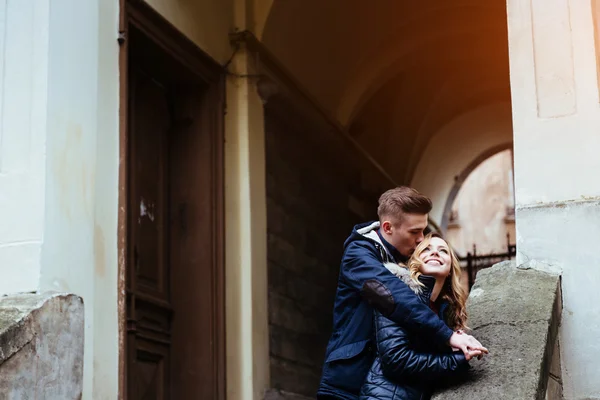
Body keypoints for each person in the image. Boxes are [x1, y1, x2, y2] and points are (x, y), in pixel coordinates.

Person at [317, 187, 487, 400]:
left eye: (423, 230)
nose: (420, 239)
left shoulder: (406, 261)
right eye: (414, 232)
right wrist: (448, 336)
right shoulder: (358, 255)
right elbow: (393, 296)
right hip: (346, 384)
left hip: (381, 385)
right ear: (388, 227)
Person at [359, 232, 471, 400]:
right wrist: (457, 360)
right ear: (414, 261)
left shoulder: (445, 312)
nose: (435, 253)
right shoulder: (397, 293)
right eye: (426, 249)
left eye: (443, 251)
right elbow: (395, 359)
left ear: (450, 269)